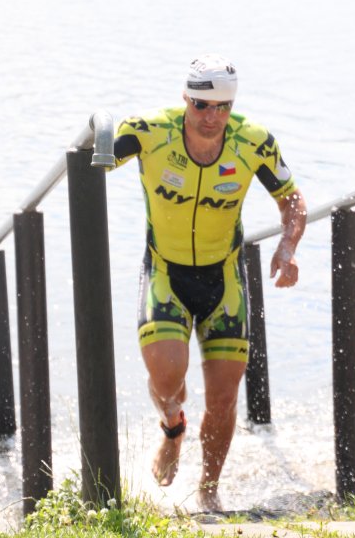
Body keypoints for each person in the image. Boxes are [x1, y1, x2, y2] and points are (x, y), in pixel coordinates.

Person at [111, 53, 306, 511]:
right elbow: (92, 159)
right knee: (166, 378)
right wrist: (95, 146)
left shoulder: (253, 141)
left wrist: (288, 246)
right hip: (166, 272)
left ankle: (209, 490)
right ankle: (173, 427)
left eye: (223, 107)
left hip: (224, 278)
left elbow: (292, 199)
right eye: (201, 105)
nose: (212, 117)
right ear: (185, 98)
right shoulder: (149, 131)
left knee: (223, 398)